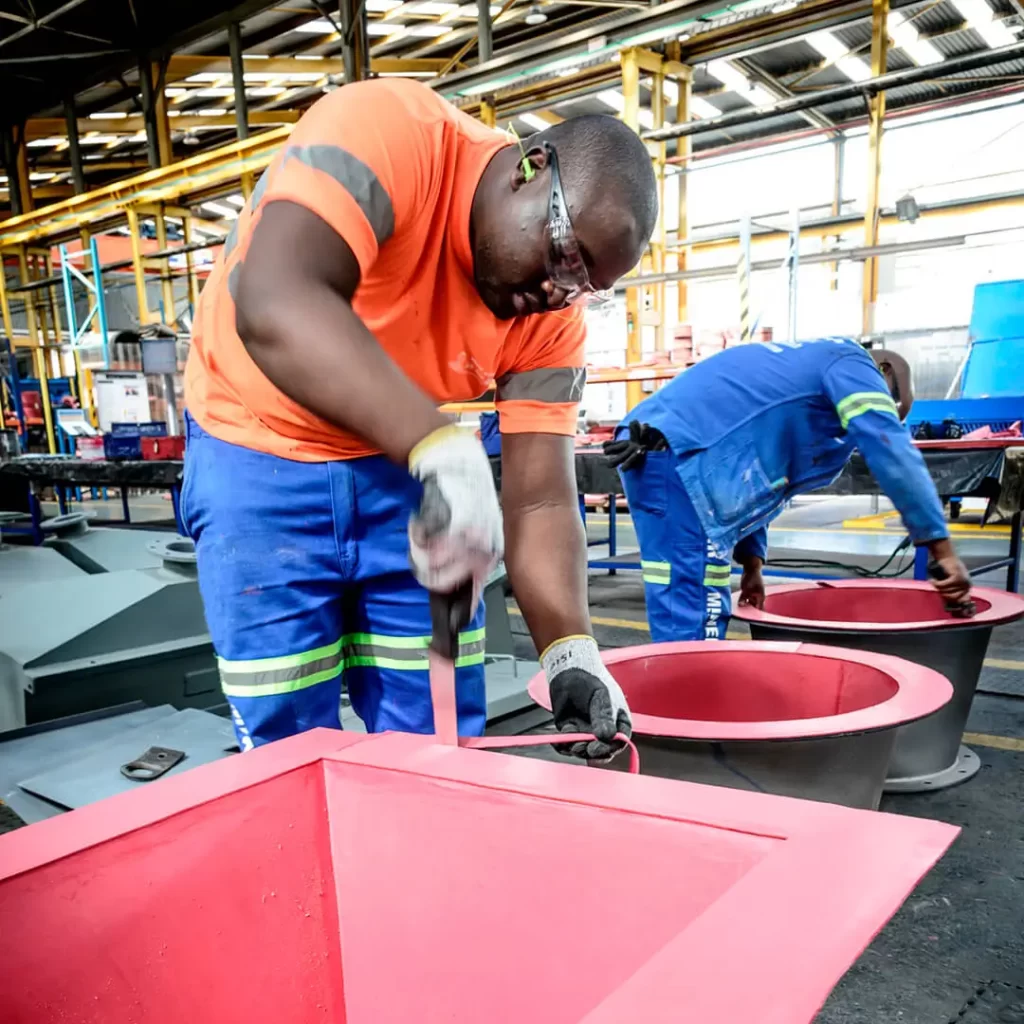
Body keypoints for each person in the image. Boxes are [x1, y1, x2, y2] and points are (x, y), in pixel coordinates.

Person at [182, 78, 657, 758]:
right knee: (285, 737)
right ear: (530, 168)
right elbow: (275, 300)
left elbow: (543, 499)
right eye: (564, 257)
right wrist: (440, 446)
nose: (559, 292)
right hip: (259, 452)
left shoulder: (550, 317)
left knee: (434, 734)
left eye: (585, 287)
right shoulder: (387, 133)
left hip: (407, 462)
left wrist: (569, 651)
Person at [604, 337, 972, 642]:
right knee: (692, 606)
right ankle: (681, 711)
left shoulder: (805, 370)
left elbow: (759, 478)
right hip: (679, 454)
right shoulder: (850, 363)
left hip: (669, 454)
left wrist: (752, 563)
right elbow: (890, 448)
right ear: (885, 371)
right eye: (890, 404)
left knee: (692, 595)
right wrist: (942, 548)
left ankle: (683, 701)